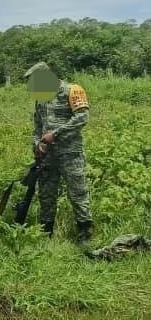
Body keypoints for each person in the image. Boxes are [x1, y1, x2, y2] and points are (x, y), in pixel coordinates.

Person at [25, 62, 93, 242]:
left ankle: (84, 231)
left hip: (70, 154)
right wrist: (37, 144)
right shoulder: (41, 98)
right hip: (47, 157)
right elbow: (37, 126)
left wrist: (55, 134)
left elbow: (82, 117)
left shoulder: (72, 90)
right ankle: (46, 232)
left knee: (77, 192)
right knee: (46, 194)